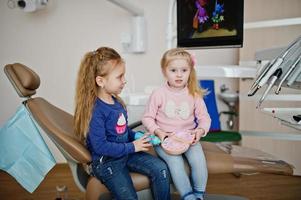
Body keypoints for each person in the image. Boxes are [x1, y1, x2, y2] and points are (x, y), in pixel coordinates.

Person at [74, 47, 171, 200]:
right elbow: (100, 146)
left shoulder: (116, 102)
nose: (124, 80)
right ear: (100, 81)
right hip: (107, 163)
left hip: (125, 153)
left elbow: (122, 130)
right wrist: (133, 146)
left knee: (161, 169)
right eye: (119, 77)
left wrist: (138, 136)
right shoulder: (96, 111)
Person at [142, 48, 211, 200]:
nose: (179, 74)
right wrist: (158, 131)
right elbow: (147, 118)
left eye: (184, 70)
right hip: (165, 139)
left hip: (188, 137)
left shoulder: (194, 94)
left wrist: (199, 131)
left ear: (190, 71)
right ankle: (187, 196)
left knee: (199, 162)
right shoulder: (158, 94)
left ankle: (199, 194)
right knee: (175, 163)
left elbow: (205, 118)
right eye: (173, 70)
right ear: (164, 71)